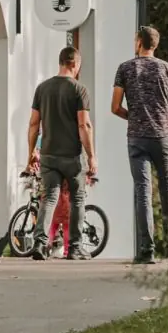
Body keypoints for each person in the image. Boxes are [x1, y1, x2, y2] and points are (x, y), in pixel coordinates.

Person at [112, 25, 168, 263]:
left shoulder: (125, 68)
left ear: (139, 42)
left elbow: (115, 107)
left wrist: (133, 117)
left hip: (137, 137)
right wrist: (164, 117)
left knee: (143, 191)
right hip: (164, 137)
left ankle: (146, 249)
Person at [29, 46, 98, 260]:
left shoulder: (42, 89)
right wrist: (91, 156)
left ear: (60, 63)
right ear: (75, 64)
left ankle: (40, 244)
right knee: (78, 198)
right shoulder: (79, 90)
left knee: (48, 198)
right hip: (72, 156)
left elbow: (33, 124)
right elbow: (84, 125)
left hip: (49, 154)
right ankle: (75, 247)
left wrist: (31, 153)